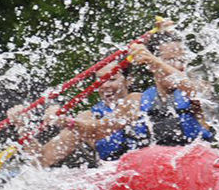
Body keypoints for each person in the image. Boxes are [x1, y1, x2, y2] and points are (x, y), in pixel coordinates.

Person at [8, 59, 145, 167]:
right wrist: (22, 127)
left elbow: (100, 128)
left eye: (112, 79)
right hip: (117, 177)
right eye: (100, 80)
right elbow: (41, 160)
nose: (105, 85)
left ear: (129, 80)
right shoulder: (87, 117)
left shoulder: (136, 99)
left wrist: (68, 121)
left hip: (149, 167)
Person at [126, 31, 215, 146]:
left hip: (196, 158)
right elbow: (98, 130)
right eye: (169, 60)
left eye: (181, 60)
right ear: (149, 66)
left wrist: (154, 60)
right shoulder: (135, 101)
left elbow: (190, 87)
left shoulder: (200, 89)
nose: (178, 66)